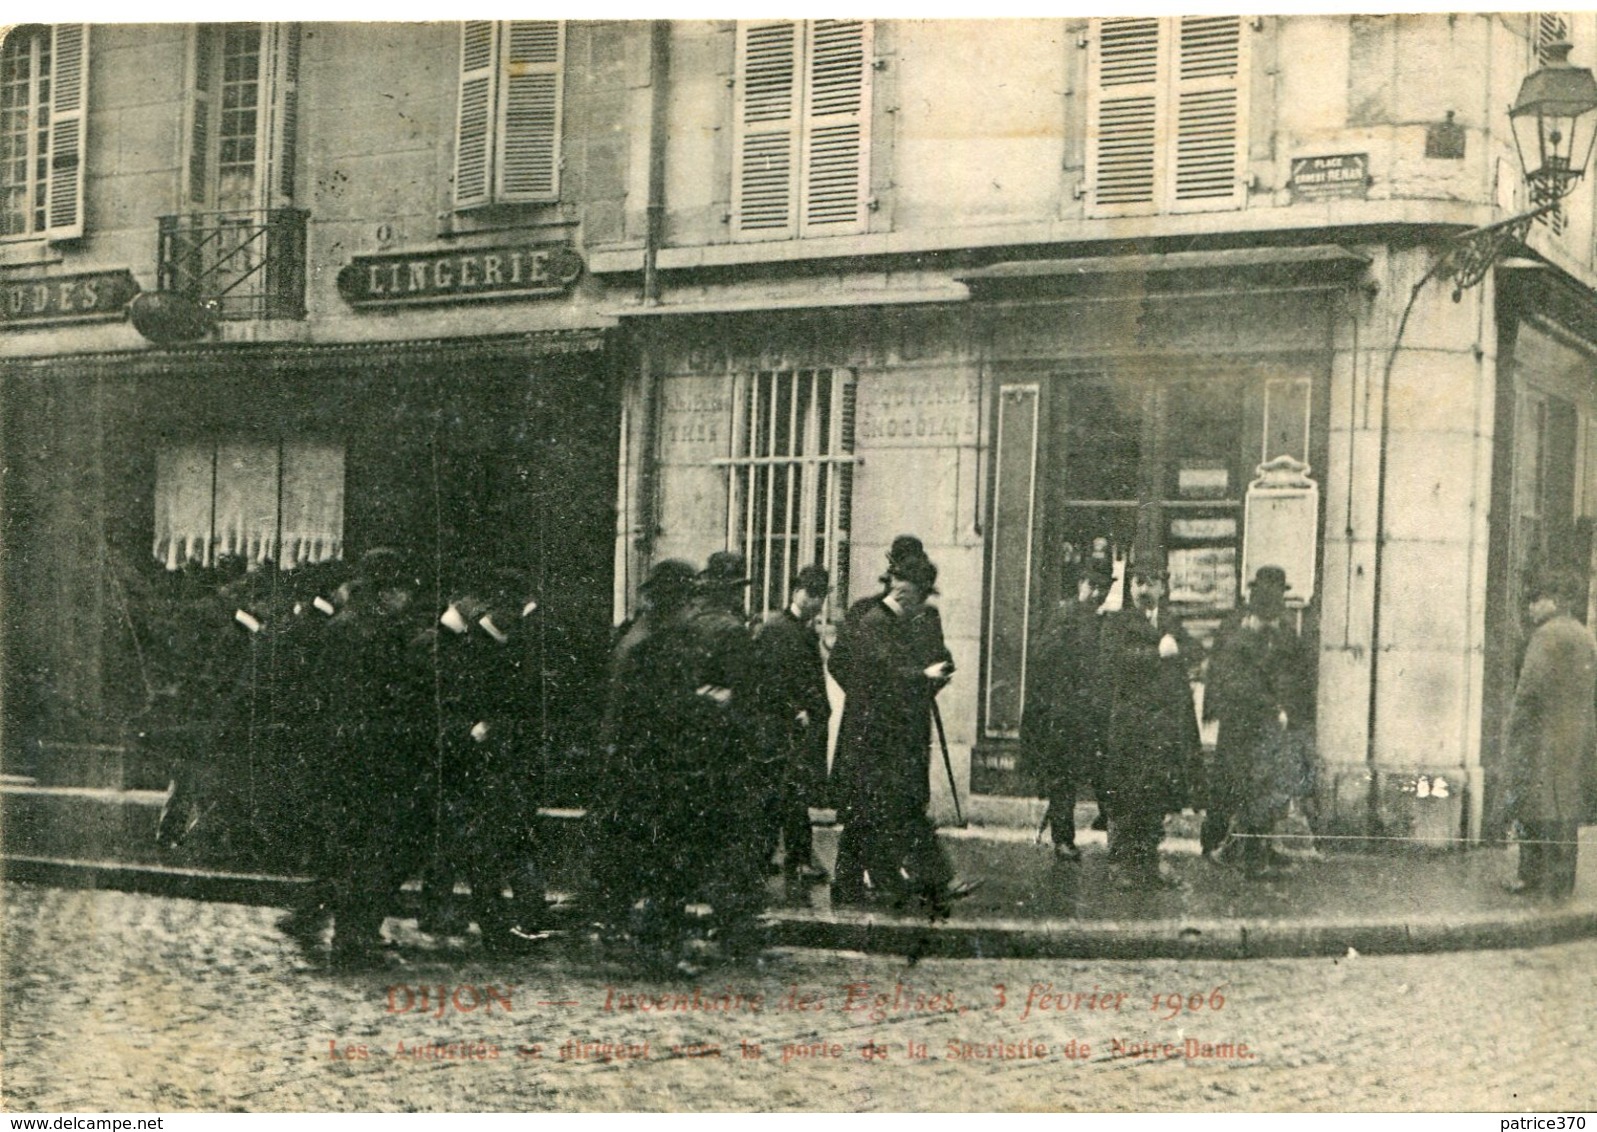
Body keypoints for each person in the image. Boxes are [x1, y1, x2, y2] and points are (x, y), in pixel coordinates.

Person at [828, 549, 966, 914]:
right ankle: (859, 885)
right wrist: (923, 677)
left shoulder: (892, 623)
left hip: (883, 735)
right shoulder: (875, 624)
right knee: (869, 812)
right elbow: (884, 677)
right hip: (873, 737)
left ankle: (860, 884)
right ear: (906, 592)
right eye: (920, 596)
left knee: (871, 812)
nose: (922, 606)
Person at [1201, 566, 1315, 878]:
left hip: (1269, 724)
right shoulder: (1237, 630)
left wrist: (1290, 712)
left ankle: (1258, 848)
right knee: (1234, 784)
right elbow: (1224, 678)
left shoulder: (1283, 631)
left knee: (1264, 787)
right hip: (1240, 722)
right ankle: (1219, 844)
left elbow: (1297, 675)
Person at [1098, 554, 1201, 890]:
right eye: (1138, 582)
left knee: (1154, 795)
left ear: (1164, 586)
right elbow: (1113, 661)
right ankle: (1121, 863)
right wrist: (1157, 653)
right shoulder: (1117, 623)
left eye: (1151, 582)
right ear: (1129, 586)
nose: (1144, 589)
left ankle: (1149, 862)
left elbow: (1195, 649)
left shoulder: (1170, 621)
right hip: (1130, 725)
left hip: (1163, 726)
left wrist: (1182, 651)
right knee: (1126, 795)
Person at [1502, 570, 1597, 899]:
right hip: (1575, 738)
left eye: (1535, 600)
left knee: (1531, 805)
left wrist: (1514, 734)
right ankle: (1561, 880)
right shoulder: (1584, 635)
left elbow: (1528, 691)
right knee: (1565, 809)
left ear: (1552, 601)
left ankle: (1529, 876)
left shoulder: (1544, 636)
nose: (1530, 608)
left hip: (1541, 738)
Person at [1022, 558, 1114, 862]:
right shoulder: (1064, 615)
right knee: (1064, 778)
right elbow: (1041, 656)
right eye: (1092, 586)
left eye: (1104, 587)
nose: (1097, 593)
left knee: (1106, 773)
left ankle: (1118, 838)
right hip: (1067, 711)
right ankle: (1063, 839)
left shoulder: (1106, 622)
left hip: (1096, 711)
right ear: (1080, 585)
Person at [752, 564, 833, 895]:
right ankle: (792, 858)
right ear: (800, 593)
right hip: (783, 727)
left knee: (787, 794)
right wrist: (795, 710)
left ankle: (771, 858)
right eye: (814, 596)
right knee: (786, 793)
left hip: (798, 725)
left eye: (822, 597)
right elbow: (769, 681)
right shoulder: (777, 629)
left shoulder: (800, 628)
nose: (818, 604)